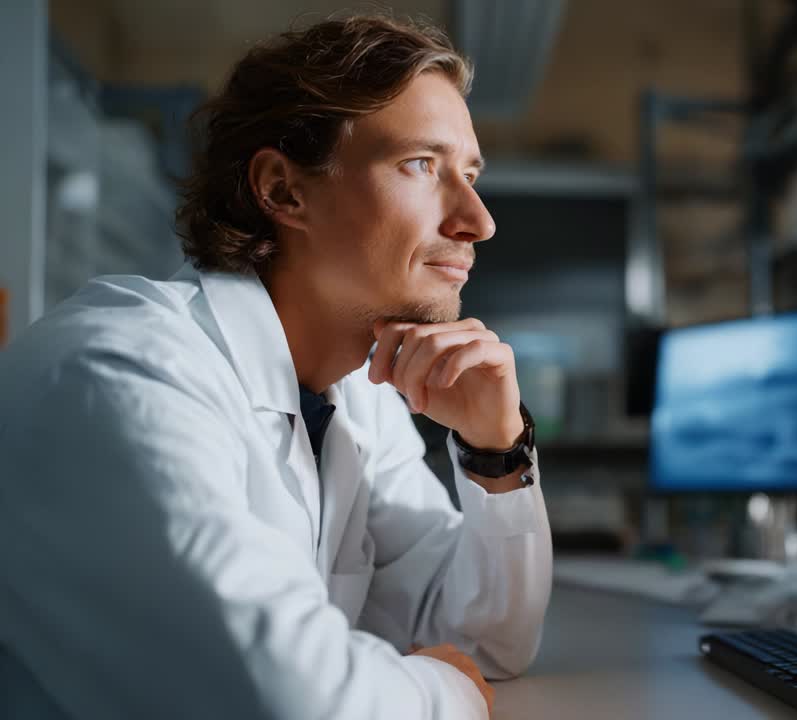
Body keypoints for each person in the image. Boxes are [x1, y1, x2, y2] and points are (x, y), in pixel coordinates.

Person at [0, 14, 550, 720]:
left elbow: (489, 641)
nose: (478, 220)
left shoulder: (354, 398)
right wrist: (447, 689)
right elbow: (286, 699)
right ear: (284, 190)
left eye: (469, 175)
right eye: (421, 164)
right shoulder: (120, 373)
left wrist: (496, 451)